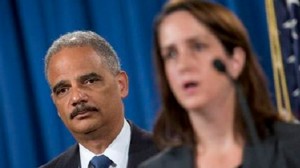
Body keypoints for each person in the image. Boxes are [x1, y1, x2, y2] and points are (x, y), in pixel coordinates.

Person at [139, 0, 300, 168]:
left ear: (235, 61)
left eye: (198, 47)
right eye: (171, 54)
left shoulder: (294, 148)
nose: (183, 65)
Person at [40, 31, 158, 168]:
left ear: (121, 85)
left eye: (89, 81)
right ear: (55, 103)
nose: (76, 97)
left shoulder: (176, 156)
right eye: (63, 90)